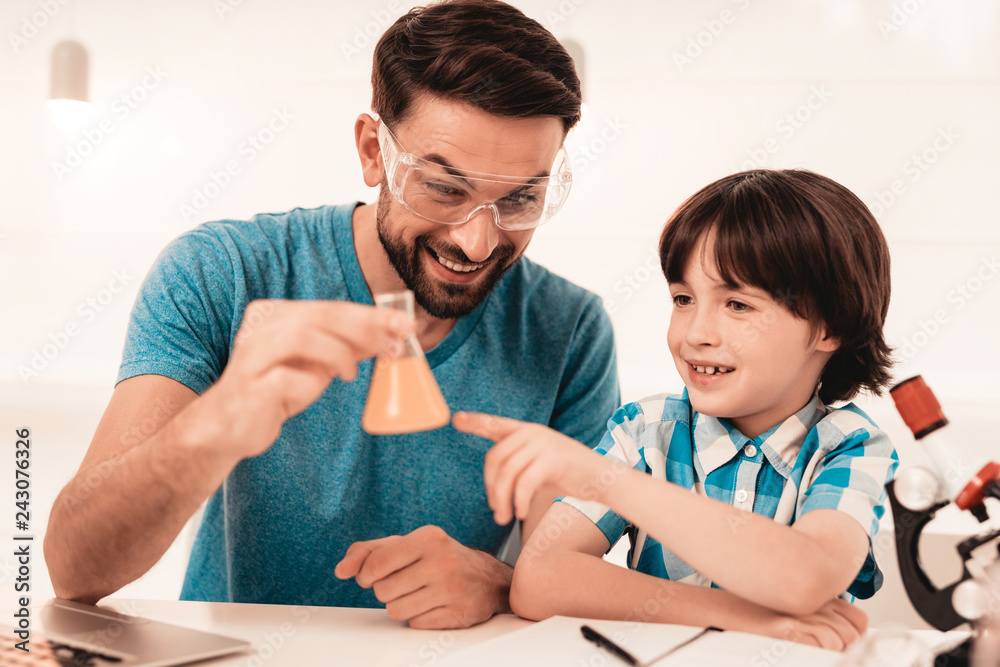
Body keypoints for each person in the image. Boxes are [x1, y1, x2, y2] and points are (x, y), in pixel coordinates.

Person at [43, 0, 620, 630]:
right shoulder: (221, 273)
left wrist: (500, 581)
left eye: (520, 199)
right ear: (375, 152)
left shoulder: (570, 332)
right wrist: (216, 422)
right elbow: (76, 568)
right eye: (444, 188)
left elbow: (563, 573)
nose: (477, 243)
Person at [454, 168, 898, 649]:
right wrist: (738, 617)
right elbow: (538, 582)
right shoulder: (646, 431)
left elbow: (807, 576)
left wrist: (613, 483)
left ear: (829, 327)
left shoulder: (849, 446)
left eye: (738, 305)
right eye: (683, 299)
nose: (695, 333)